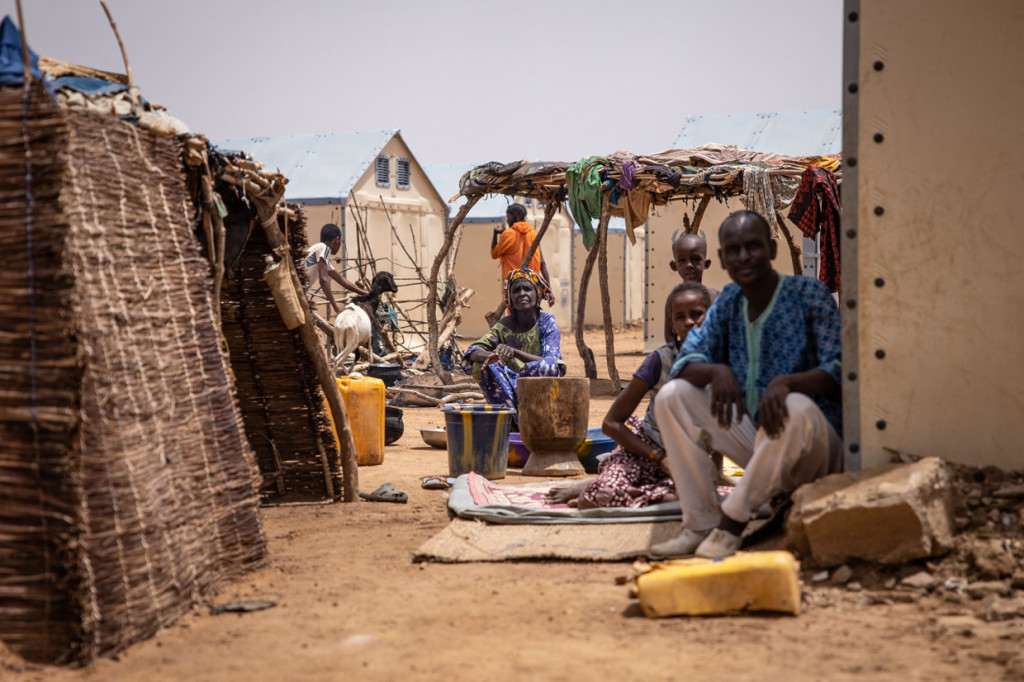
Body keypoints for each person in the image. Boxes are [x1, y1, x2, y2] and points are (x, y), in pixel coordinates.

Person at [649, 210, 843, 560]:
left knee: (794, 404)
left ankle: (732, 523)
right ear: (722, 259)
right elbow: (685, 362)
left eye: (753, 246)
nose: (744, 257)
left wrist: (788, 382)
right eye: (733, 250)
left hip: (815, 452)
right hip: (759, 446)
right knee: (672, 396)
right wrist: (716, 372)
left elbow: (840, 371)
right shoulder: (727, 303)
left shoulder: (808, 294)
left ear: (771, 249)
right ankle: (701, 523)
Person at [545, 282, 711, 509]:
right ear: (672, 325)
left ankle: (601, 486)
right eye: (680, 317)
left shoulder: (723, 362)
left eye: (696, 314)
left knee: (690, 499)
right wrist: (660, 458)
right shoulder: (660, 361)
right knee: (597, 498)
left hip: (688, 459)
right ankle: (602, 486)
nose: (689, 322)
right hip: (645, 452)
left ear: (711, 318)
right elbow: (611, 423)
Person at [462, 268, 566, 412]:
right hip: (509, 388)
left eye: (527, 289)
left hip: (539, 389)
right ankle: (509, 416)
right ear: (510, 298)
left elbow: (553, 363)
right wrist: (494, 356)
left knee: (549, 366)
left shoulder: (546, 321)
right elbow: (472, 351)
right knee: (481, 365)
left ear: (537, 294)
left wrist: (514, 353)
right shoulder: (504, 327)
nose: (522, 293)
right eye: (516, 290)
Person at [491, 204, 555, 307]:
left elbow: (494, 254)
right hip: (532, 288)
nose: (507, 220)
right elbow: (542, 263)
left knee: (514, 316)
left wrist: (495, 233)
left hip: (514, 289)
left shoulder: (507, 234)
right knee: (533, 315)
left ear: (516, 217)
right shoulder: (532, 233)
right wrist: (549, 290)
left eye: (508, 217)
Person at [664, 232, 719, 343]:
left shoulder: (715, 297)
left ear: (706, 263)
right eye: (682, 260)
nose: (689, 265)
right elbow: (670, 336)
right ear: (674, 266)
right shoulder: (673, 300)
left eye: (695, 259)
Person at [304, 223, 368, 316]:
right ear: (337, 239)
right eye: (341, 241)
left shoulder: (321, 254)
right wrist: (337, 309)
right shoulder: (324, 248)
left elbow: (342, 281)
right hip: (297, 291)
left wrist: (365, 293)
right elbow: (323, 280)